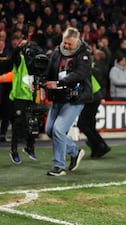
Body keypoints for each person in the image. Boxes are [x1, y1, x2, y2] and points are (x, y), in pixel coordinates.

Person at [43, 27, 92, 176]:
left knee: (58, 129)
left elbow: (80, 74)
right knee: (49, 130)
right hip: (58, 96)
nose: (66, 46)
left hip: (75, 98)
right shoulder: (58, 52)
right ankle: (74, 152)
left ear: (77, 42)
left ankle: (59, 166)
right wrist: (40, 81)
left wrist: (58, 83)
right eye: (65, 43)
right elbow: (50, 69)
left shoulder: (84, 54)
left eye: (69, 44)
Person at [1, 39, 41, 164]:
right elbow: (13, 57)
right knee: (18, 125)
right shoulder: (20, 60)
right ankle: (14, 150)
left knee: (33, 125)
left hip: (31, 98)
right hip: (19, 98)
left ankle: (29, 147)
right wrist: (19, 47)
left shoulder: (36, 64)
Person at [77, 63, 111, 159]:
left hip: (91, 97)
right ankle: (100, 145)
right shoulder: (87, 66)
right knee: (90, 125)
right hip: (95, 95)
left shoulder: (80, 68)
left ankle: (98, 145)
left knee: (82, 124)